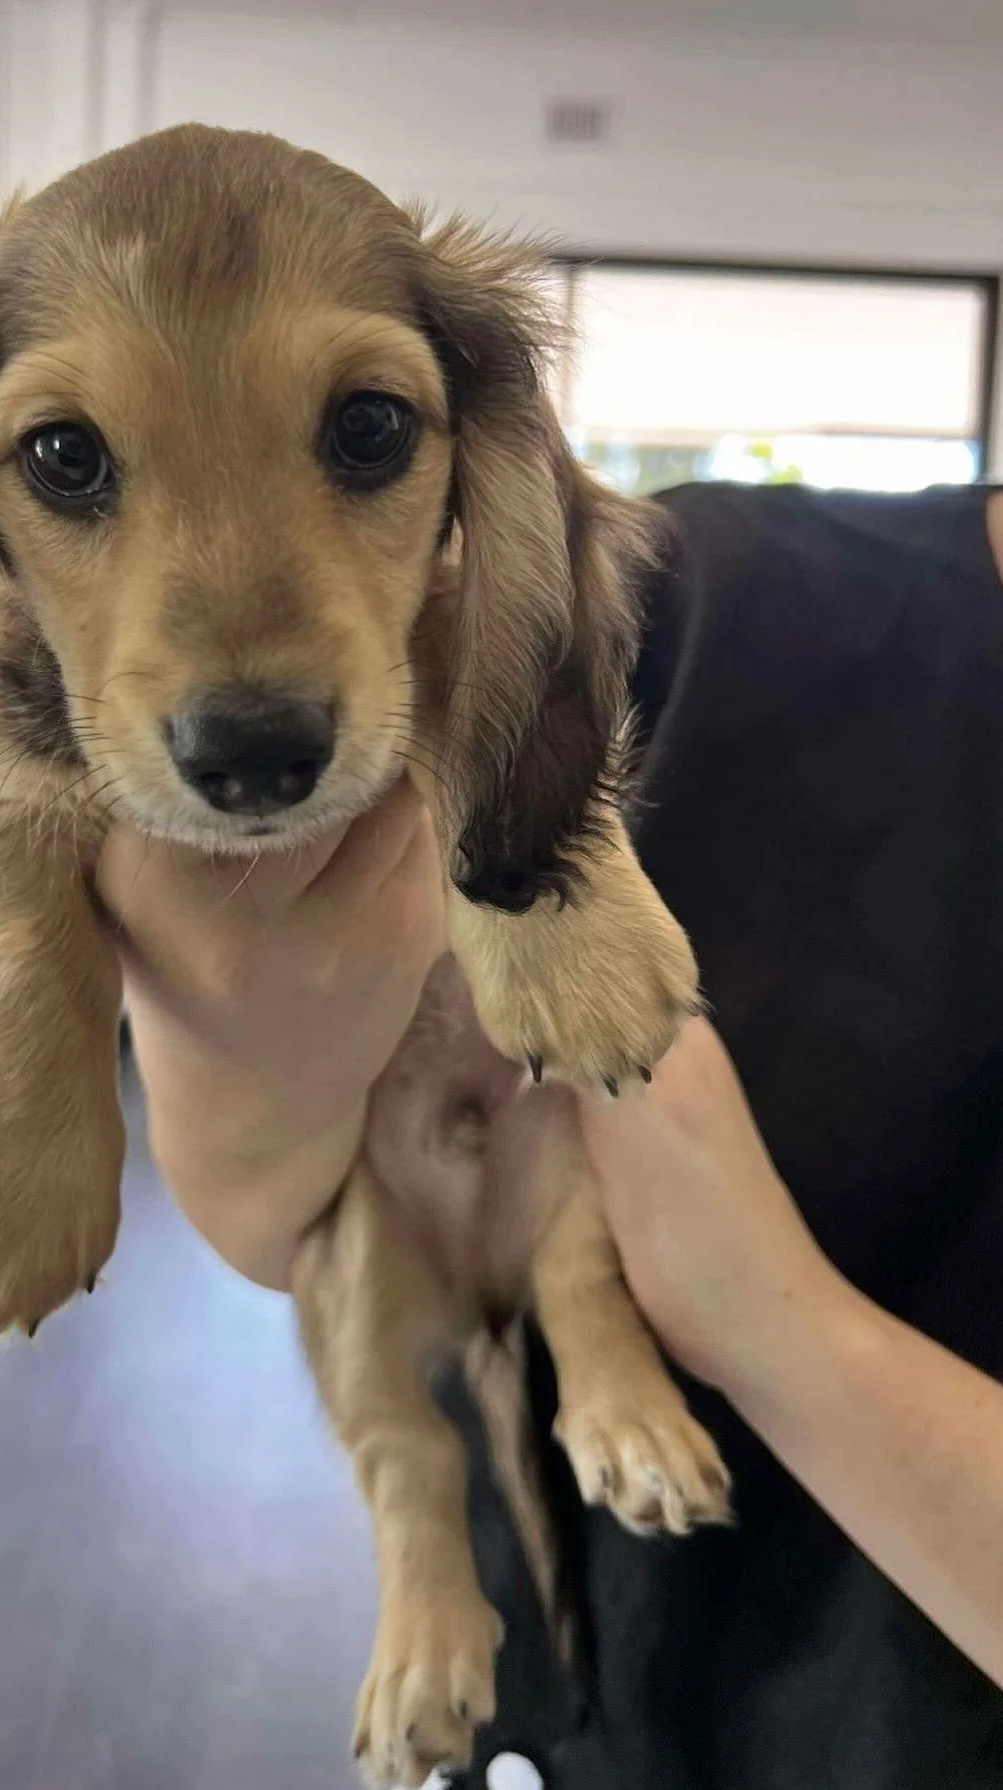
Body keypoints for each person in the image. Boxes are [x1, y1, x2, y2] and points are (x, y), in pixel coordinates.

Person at [99, 481, 1003, 1788]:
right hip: (586, 1678)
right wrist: (221, 1052)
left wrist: (783, 1327)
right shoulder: (668, 581)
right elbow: (273, 1198)